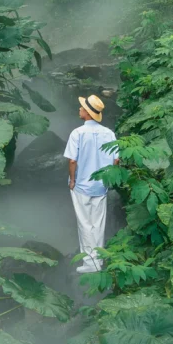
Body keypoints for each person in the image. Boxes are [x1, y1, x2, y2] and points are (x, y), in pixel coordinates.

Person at [64, 94, 119, 275]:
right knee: (98, 223)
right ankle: (99, 259)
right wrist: (108, 180)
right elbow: (116, 161)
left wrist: (72, 180)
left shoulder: (77, 133)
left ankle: (89, 262)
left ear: (87, 112)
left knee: (84, 223)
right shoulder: (109, 133)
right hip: (101, 185)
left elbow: (72, 161)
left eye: (81, 107)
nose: (79, 109)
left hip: (81, 185)